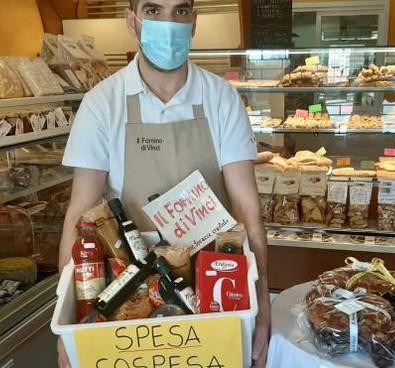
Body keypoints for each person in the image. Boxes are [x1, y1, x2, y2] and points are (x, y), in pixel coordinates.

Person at [56, 0, 270, 367]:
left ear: (194, 22)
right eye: (153, 11)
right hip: (131, 293)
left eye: (180, 11)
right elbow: (80, 213)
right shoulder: (102, 104)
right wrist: (67, 320)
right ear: (131, 20)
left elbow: (246, 208)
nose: (169, 23)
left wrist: (261, 299)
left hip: (215, 286)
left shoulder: (221, 98)